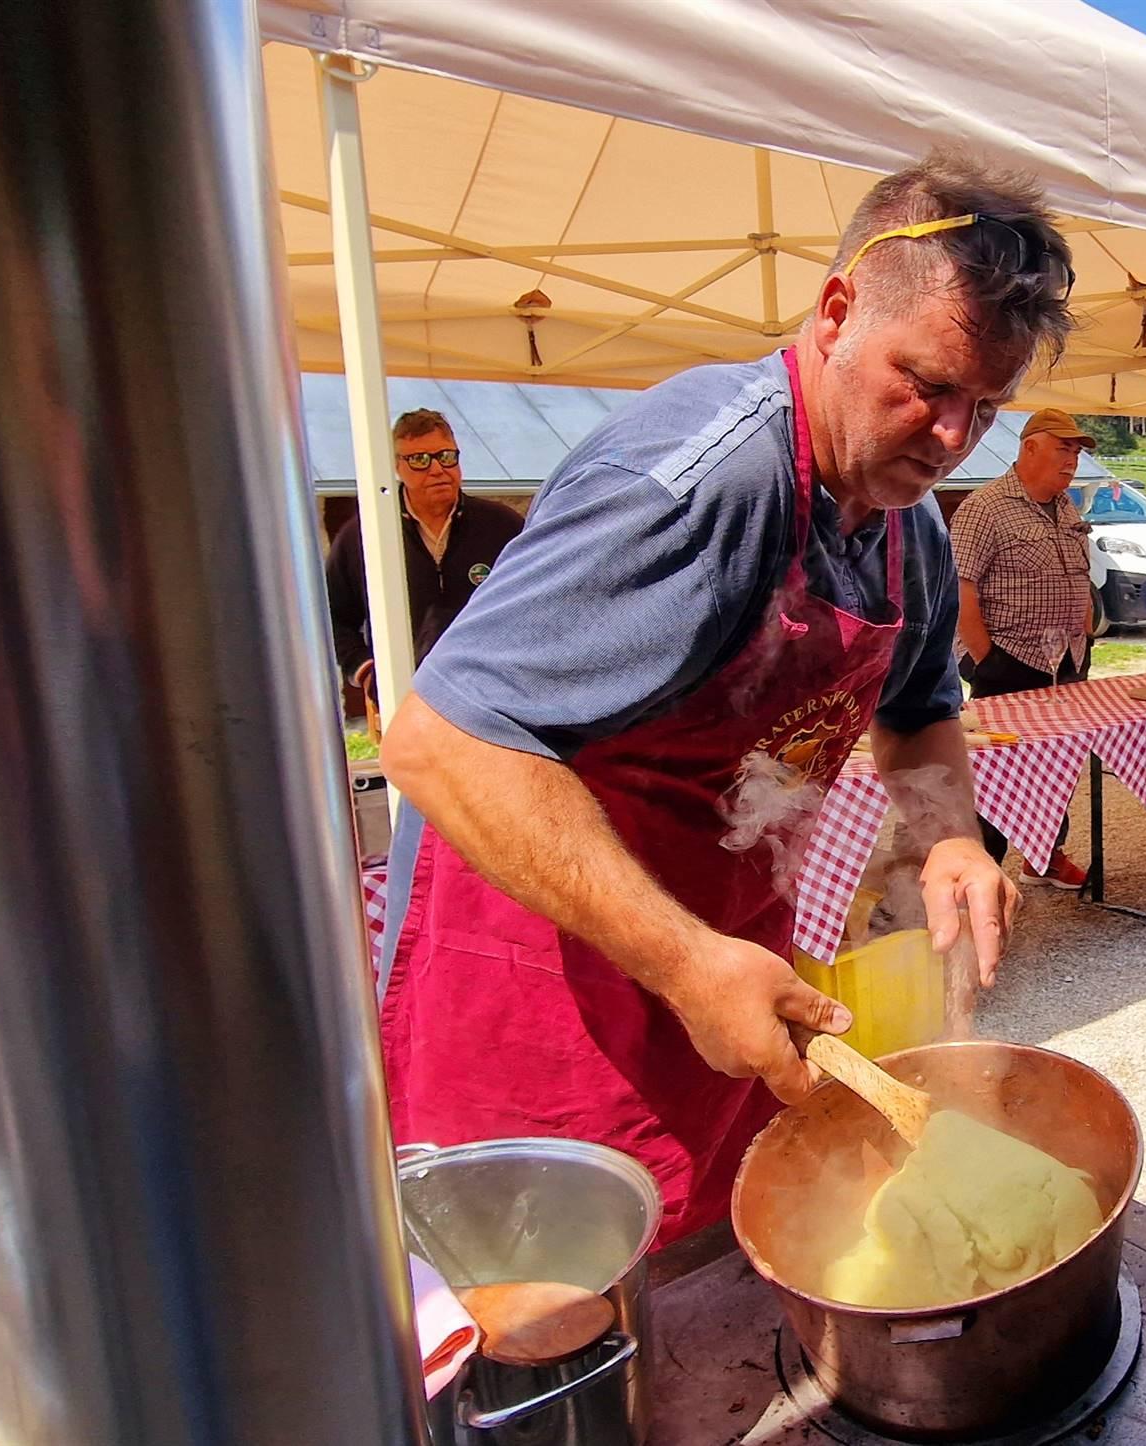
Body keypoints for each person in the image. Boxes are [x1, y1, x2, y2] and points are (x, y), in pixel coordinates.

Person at [376, 153, 1073, 1244]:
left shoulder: (910, 523)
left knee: (723, 1255)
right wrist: (683, 960)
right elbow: (440, 742)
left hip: (727, 944)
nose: (950, 439)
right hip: (546, 977)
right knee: (550, 1314)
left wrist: (949, 840)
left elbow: (919, 707)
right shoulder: (699, 480)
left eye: (985, 407)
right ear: (836, 311)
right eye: (928, 385)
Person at [948, 406, 1097, 886]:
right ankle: (981, 872)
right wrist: (985, 657)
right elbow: (959, 587)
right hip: (1011, 660)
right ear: (1029, 447)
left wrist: (1087, 630)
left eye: (1076, 451)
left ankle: (1044, 853)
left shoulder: (1067, 506)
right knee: (997, 772)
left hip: (1068, 658)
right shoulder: (984, 507)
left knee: (1058, 764)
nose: (1072, 460)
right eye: (1063, 448)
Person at [324, 408, 524, 716]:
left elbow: (537, 603)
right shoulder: (366, 535)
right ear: (395, 466)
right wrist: (364, 669)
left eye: (446, 456)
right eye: (419, 460)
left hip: (496, 699)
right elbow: (332, 616)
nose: (437, 470)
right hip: (407, 701)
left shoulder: (502, 526)